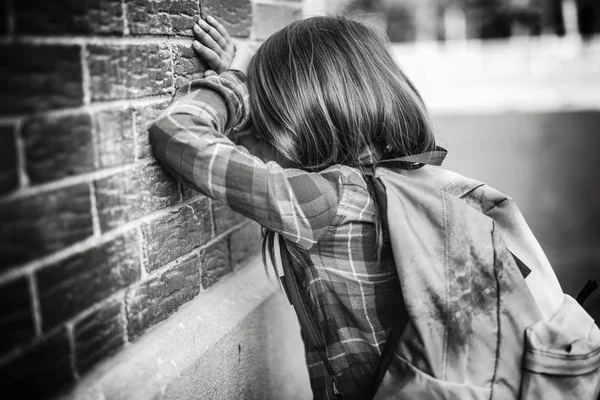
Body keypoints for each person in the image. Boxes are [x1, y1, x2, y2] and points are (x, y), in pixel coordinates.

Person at [150, 15, 437, 400]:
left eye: (272, 110)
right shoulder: (405, 176)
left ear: (301, 112)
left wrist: (239, 83)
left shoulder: (323, 200)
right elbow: (265, 160)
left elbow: (178, 133)